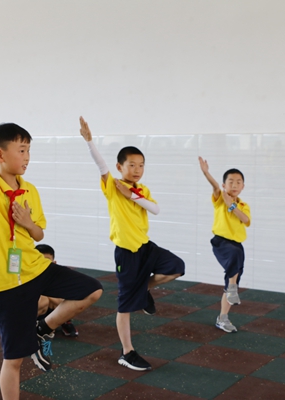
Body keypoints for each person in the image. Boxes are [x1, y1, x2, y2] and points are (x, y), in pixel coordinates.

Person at [0, 106, 103, 400]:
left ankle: (43, 328)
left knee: (92, 290)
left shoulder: (31, 191)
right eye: (22, 150)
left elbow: (39, 234)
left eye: (29, 151)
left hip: (36, 267)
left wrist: (27, 223)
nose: (27, 157)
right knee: (13, 359)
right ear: (0, 154)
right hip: (6, 282)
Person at [79, 117, 185, 371]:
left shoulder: (142, 190)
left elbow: (155, 209)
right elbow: (101, 165)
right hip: (126, 253)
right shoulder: (113, 186)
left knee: (176, 267)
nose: (137, 170)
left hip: (146, 247)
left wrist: (132, 196)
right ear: (120, 166)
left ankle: (143, 289)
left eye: (141, 165)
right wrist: (90, 141)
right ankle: (127, 352)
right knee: (125, 305)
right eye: (132, 165)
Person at [198, 157, 251, 333]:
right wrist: (206, 173)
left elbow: (245, 220)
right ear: (224, 185)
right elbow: (214, 187)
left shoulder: (243, 205)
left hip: (237, 245)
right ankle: (232, 288)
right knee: (234, 259)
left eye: (238, 182)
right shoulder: (220, 198)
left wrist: (232, 206)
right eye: (231, 182)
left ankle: (223, 318)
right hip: (221, 242)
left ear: (243, 186)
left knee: (232, 277)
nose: (234, 185)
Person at [35, 244, 78, 337]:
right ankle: (32, 326)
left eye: (46, 261)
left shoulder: (60, 275)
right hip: (37, 311)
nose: (43, 264)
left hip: (53, 310)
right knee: (43, 301)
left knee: (71, 301)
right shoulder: (26, 275)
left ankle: (65, 322)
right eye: (39, 261)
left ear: (54, 263)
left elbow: (68, 301)